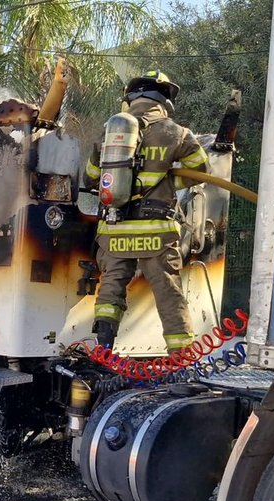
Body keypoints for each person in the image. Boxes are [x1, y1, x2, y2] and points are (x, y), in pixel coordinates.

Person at [87, 70, 210, 352]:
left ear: (130, 99)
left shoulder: (109, 133)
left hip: (114, 230)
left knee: (110, 291)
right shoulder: (176, 133)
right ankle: (180, 359)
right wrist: (167, 181)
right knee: (168, 293)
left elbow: (91, 178)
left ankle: (103, 349)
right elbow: (201, 171)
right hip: (156, 232)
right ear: (165, 101)